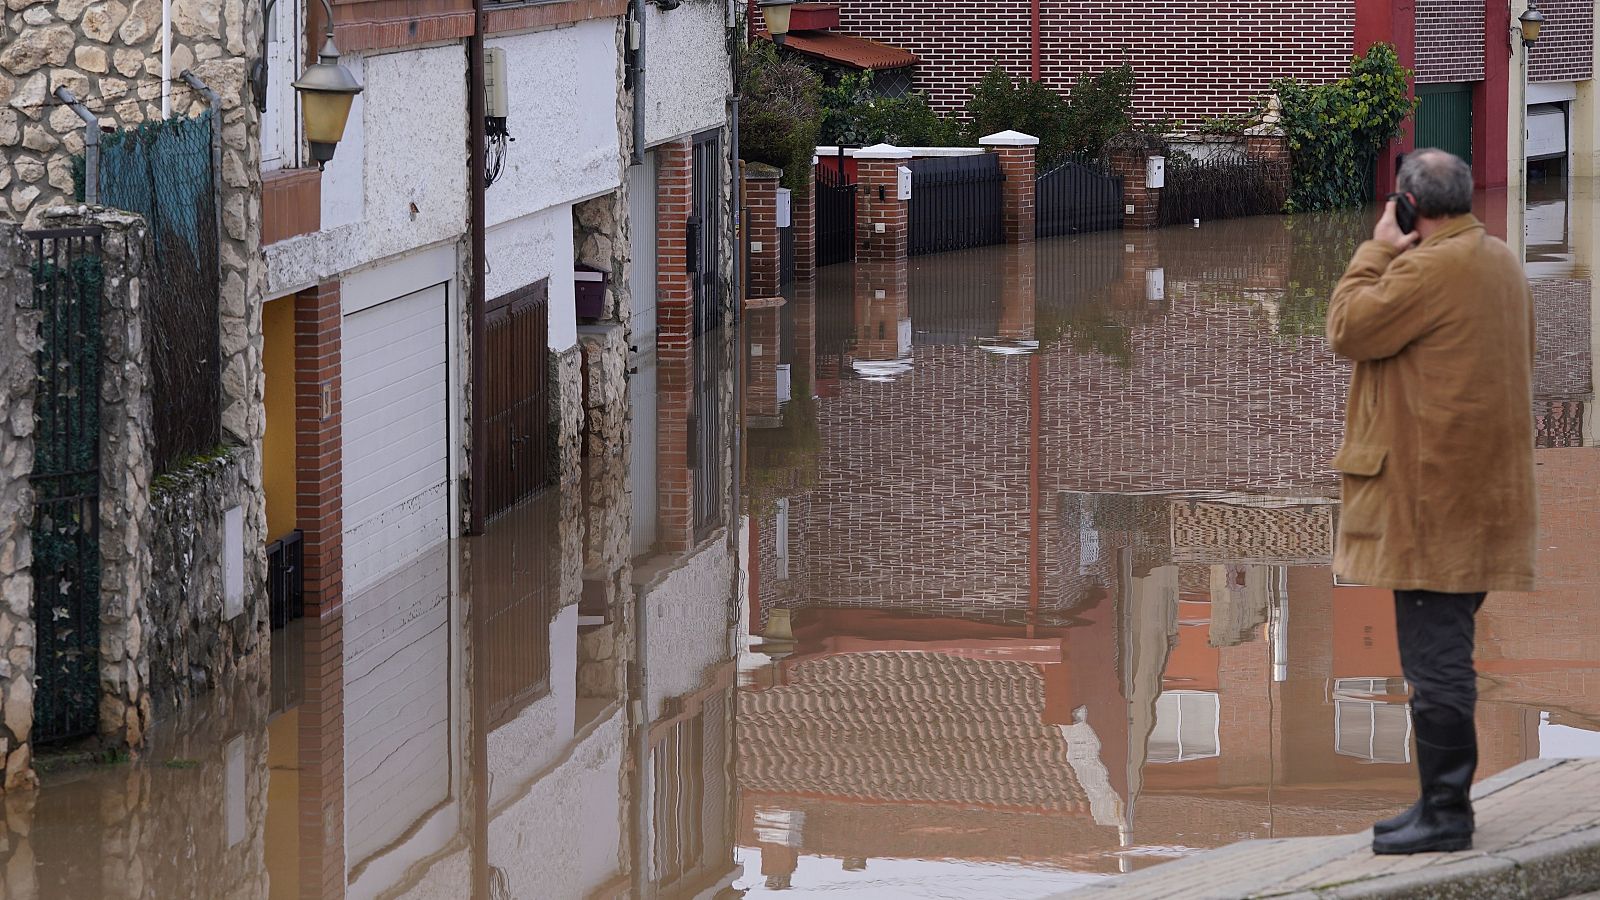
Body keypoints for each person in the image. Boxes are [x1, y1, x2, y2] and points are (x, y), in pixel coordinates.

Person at [1326, 148, 1536, 856]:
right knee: (1442, 649)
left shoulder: (1419, 269)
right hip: (1483, 493)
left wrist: (1375, 249)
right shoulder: (1501, 260)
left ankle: (1446, 816)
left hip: (1431, 501)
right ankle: (1433, 802)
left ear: (1410, 208)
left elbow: (1347, 328)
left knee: (1436, 661)